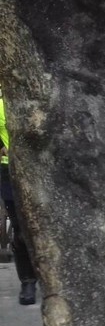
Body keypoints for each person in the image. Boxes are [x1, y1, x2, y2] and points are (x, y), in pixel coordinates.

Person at [0, 90, 38, 305]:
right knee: (21, 231)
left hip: (42, 172)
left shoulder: (36, 100)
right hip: (10, 172)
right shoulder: (1, 106)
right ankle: (28, 280)